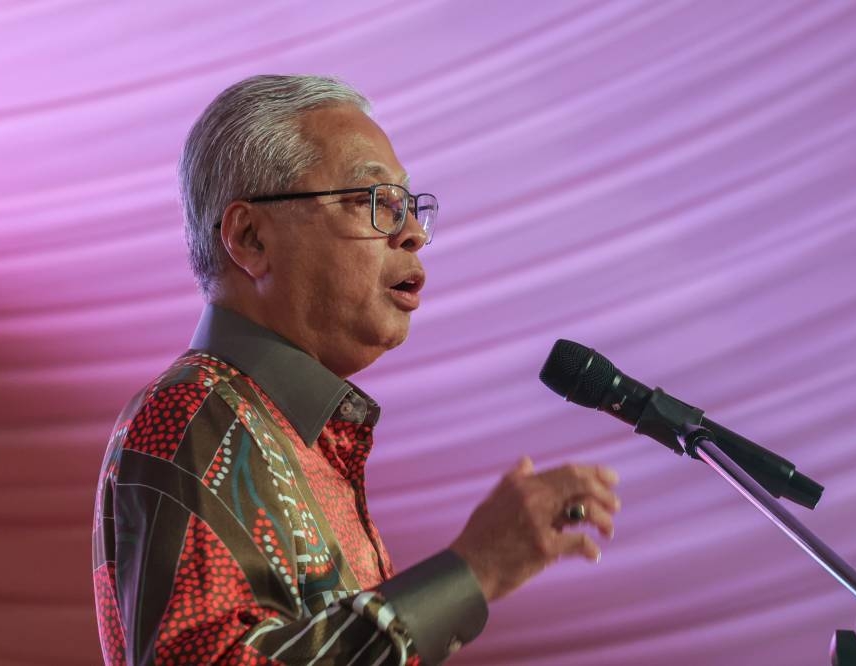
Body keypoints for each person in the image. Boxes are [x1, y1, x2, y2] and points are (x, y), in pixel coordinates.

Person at [92, 74, 620, 665]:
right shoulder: (195, 413)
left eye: (409, 206)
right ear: (249, 237)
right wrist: (472, 570)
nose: (415, 233)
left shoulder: (295, 436)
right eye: (376, 203)